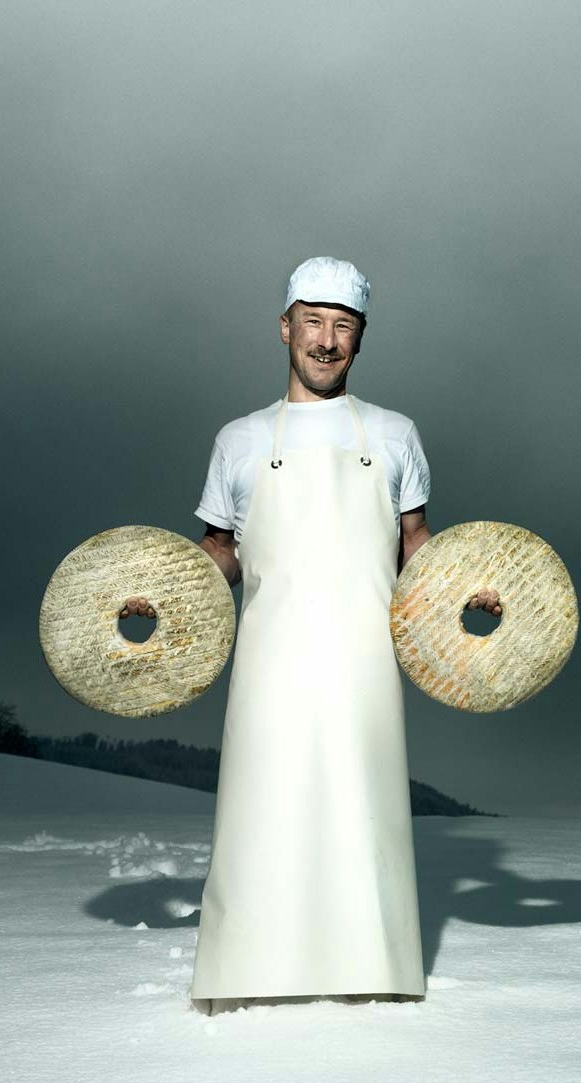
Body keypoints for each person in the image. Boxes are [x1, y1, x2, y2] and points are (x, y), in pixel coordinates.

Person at [124, 258, 499, 1015]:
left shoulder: (393, 434)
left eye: (343, 327)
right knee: (263, 806)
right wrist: (163, 589)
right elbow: (220, 550)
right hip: (270, 655)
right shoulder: (239, 439)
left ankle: (374, 971)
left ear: (361, 338)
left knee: (364, 811)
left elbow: (416, 543)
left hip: (366, 656)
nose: (327, 341)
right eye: (314, 322)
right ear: (285, 327)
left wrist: (465, 586)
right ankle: (244, 973)